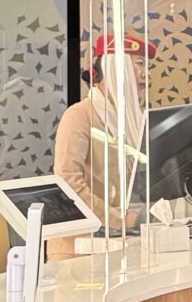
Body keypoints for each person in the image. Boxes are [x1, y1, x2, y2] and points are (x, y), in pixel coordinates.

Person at [53, 31, 145, 225]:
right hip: (84, 237)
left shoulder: (132, 118)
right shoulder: (79, 115)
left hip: (126, 231)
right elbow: (67, 182)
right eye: (139, 64)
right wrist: (118, 220)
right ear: (116, 68)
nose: (146, 73)